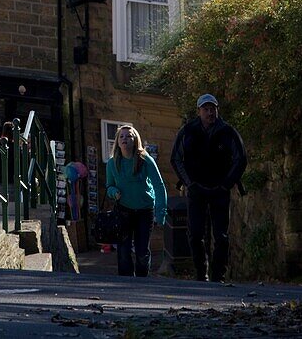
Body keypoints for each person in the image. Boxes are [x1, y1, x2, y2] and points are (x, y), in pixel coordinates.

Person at [171, 94, 247, 283]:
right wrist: (189, 183)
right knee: (195, 234)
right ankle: (200, 274)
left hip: (219, 190)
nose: (210, 112)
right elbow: (176, 159)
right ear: (199, 111)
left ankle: (218, 276)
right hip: (197, 190)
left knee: (221, 236)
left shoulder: (228, 132)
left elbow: (241, 159)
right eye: (206, 109)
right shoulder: (188, 131)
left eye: (212, 108)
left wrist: (227, 183)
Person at [106, 123, 167, 278]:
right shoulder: (112, 163)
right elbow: (109, 186)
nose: (125, 138)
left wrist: (161, 213)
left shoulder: (145, 160)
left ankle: (142, 282)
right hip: (124, 210)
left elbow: (159, 186)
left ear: (135, 140)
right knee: (124, 251)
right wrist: (113, 192)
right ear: (118, 142)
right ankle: (125, 285)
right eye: (122, 136)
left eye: (129, 136)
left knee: (141, 251)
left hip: (144, 210)